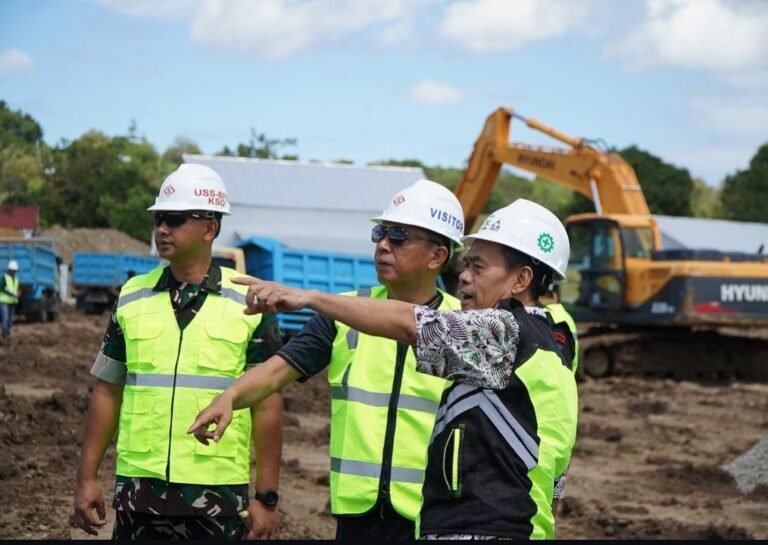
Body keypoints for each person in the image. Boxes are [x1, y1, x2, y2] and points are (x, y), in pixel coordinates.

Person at [190, 198, 579, 539]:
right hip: (399, 514)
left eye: (477, 267)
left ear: (521, 279)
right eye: (381, 234)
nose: (464, 276)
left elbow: (410, 323)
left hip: (472, 525)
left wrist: (308, 296)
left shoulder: (503, 334)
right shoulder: (550, 345)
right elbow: (558, 459)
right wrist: (233, 396)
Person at [193, 178, 465, 540]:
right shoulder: (342, 313)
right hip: (358, 513)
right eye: (380, 234)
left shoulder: (465, 327)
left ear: (437, 256)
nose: (383, 245)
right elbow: (275, 372)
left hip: (434, 514)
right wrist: (231, 397)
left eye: (398, 236)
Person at [72, 164, 285, 540]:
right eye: (159, 219)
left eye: (174, 218)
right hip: (139, 494)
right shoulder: (132, 296)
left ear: (210, 227)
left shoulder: (248, 304)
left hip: (215, 497)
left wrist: (266, 497)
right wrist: (87, 478)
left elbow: (266, 404)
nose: (161, 230)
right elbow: (108, 390)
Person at [0, 259, 20, 343]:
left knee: (10, 320)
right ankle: (5, 335)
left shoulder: (16, 280)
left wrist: (18, 294)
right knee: (5, 318)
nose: (13, 272)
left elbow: (17, 290)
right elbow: (1, 288)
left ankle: (7, 333)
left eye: (15, 271)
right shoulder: (4, 278)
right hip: (4, 302)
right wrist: (11, 294)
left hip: (12, 303)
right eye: (12, 271)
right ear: (9, 270)